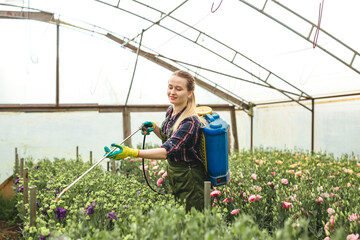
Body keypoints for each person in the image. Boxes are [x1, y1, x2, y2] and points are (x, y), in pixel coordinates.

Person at [104, 70, 206, 212]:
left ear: (190, 92)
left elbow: (167, 151)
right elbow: (172, 139)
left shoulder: (190, 121)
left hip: (189, 177)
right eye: (170, 87)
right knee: (180, 216)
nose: (172, 92)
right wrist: (156, 128)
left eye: (178, 89)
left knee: (194, 220)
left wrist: (131, 152)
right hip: (175, 174)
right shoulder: (171, 111)